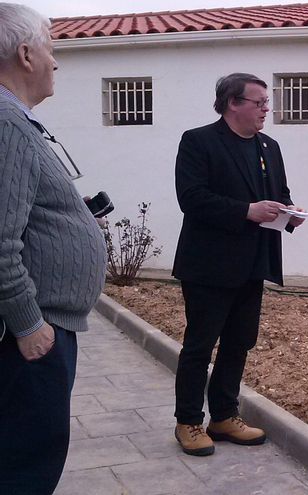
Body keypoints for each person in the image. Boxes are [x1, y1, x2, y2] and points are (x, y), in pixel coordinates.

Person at [0, 4, 107, 493]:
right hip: (29, 334)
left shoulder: (14, 121)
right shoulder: (7, 124)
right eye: (49, 47)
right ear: (25, 54)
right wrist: (28, 324)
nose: (55, 61)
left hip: (38, 326)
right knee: (27, 465)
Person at [171, 73, 306, 456]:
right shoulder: (198, 142)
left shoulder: (269, 146)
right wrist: (246, 211)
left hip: (253, 262)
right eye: (259, 101)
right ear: (233, 103)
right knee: (200, 346)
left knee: (239, 343)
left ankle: (224, 416)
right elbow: (192, 198)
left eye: (267, 102)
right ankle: (188, 422)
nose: (267, 108)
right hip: (209, 265)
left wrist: (290, 212)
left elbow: (278, 196)